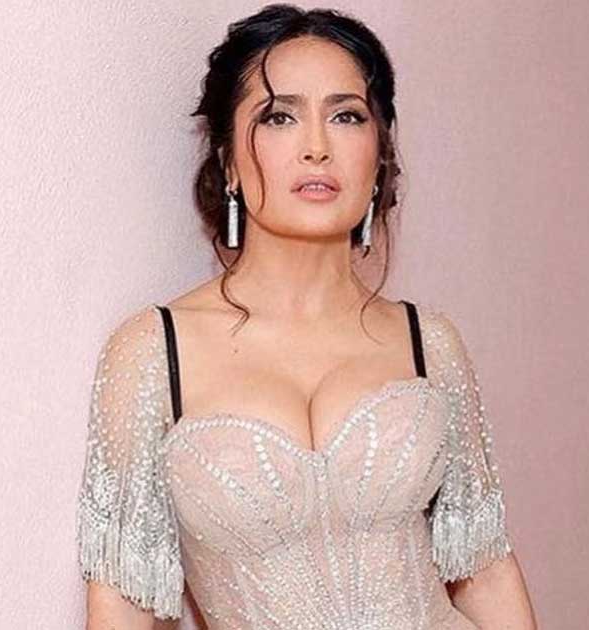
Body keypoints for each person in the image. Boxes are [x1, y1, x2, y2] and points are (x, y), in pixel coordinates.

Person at [76, 4, 537, 628]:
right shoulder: (153, 352)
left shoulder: (428, 343)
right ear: (229, 161)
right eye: (279, 116)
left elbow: (484, 571)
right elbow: (124, 605)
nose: (317, 147)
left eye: (346, 116)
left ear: (379, 155)